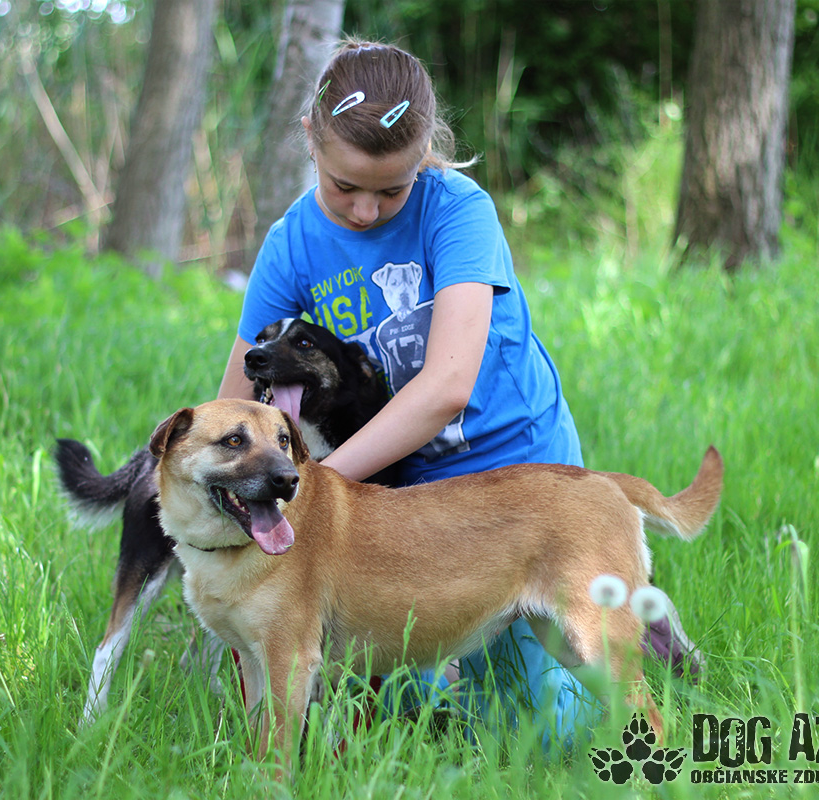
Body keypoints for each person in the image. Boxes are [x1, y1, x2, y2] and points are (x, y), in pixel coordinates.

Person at [218, 39, 698, 751]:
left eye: (391, 190)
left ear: (424, 158)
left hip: (521, 490)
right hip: (409, 507)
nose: (365, 210)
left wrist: (310, 489)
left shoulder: (457, 211)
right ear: (310, 139)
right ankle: (444, 670)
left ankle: (612, 600)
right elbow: (231, 407)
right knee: (397, 696)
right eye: (344, 186)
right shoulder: (291, 244)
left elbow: (445, 387)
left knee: (546, 733)